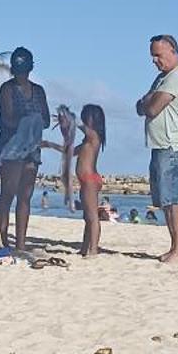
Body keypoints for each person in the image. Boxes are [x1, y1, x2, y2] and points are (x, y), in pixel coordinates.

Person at [136, 33, 178, 264]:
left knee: (174, 198)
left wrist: (147, 101)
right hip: (160, 145)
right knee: (165, 199)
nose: (155, 61)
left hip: (172, 146)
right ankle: (173, 248)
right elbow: (141, 106)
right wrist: (146, 101)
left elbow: (151, 108)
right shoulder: (162, 78)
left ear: (173, 51)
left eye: (158, 55)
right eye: (152, 56)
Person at [0, 47, 50, 255]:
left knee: (25, 196)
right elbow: (7, 118)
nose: (21, 74)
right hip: (11, 147)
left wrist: (32, 123)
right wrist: (29, 121)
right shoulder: (7, 89)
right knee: (8, 193)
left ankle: (20, 243)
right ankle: (2, 239)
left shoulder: (39, 91)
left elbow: (45, 118)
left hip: (32, 147)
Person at [75, 104, 106, 258]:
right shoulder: (86, 142)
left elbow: (83, 128)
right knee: (87, 216)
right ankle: (85, 247)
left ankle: (93, 249)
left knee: (92, 216)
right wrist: (49, 145)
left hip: (90, 180)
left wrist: (69, 117)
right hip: (86, 181)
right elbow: (69, 151)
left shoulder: (94, 137)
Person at [55, 104, 78, 212]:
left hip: (69, 145)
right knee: (65, 175)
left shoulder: (70, 121)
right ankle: (68, 196)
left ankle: (70, 201)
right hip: (68, 144)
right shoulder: (65, 123)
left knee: (67, 175)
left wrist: (50, 144)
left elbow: (69, 139)